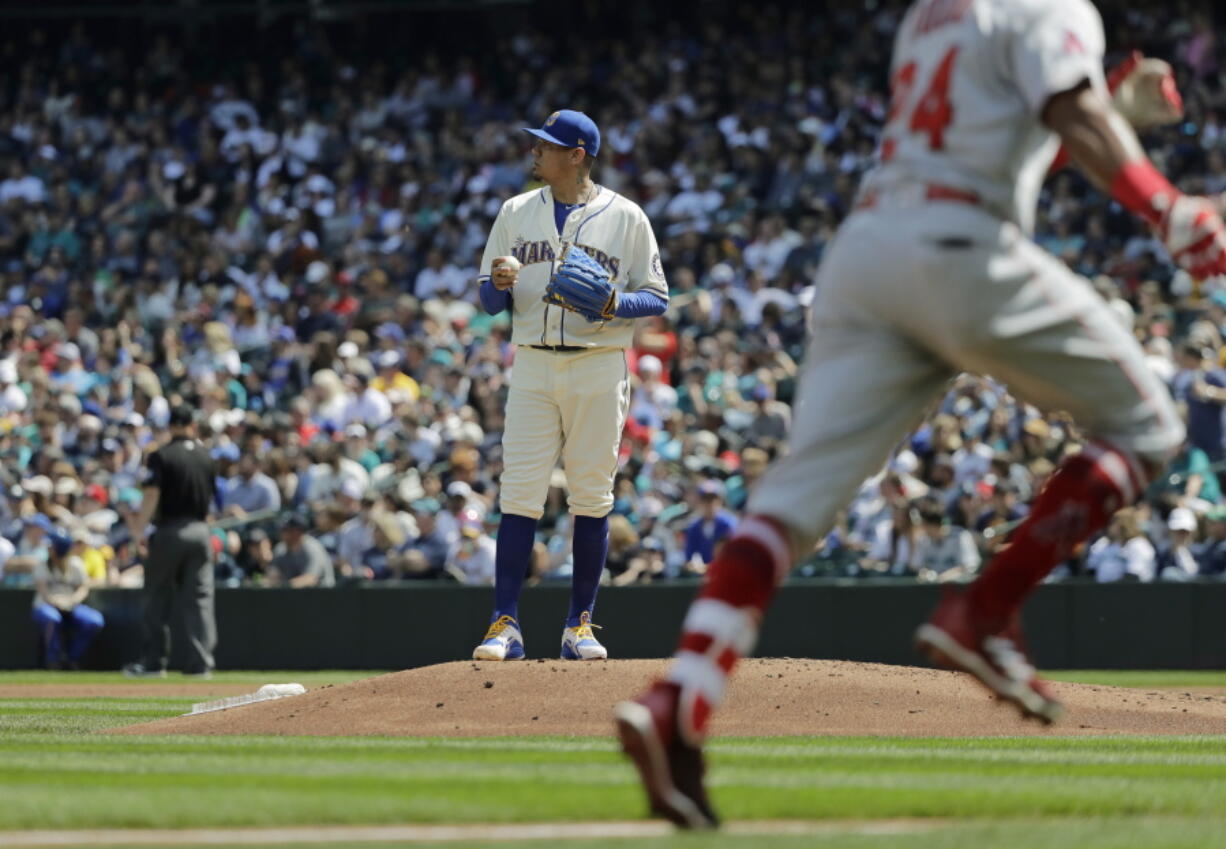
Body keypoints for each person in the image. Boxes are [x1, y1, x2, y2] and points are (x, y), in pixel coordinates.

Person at [615, 0, 1223, 829]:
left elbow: (1000, 130)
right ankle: (986, 610)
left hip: (867, 254)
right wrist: (1165, 205)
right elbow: (1064, 112)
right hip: (961, 244)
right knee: (1150, 427)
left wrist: (1115, 109)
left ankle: (679, 698)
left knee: (789, 504)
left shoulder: (929, 16)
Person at [471, 109, 668, 661]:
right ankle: (503, 624)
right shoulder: (514, 211)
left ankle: (579, 625)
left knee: (590, 494)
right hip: (532, 360)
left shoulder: (626, 217)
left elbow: (656, 295)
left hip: (599, 362)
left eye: (546, 145)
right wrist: (500, 286)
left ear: (576, 154)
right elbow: (489, 299)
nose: (535, 151)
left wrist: (613, 303)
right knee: (520, 493)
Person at [123, 404, 218, 678]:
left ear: (171, 425)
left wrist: (138, 531)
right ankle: (200, 664)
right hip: (201, 530)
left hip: (170, 531)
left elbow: (151, 496)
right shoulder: (206, 457)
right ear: (192, 424)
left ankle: (153, 663)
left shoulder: (161, 456)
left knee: (156, 597)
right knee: (200, 599)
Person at [31, 531, 104, 669]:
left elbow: (83, 588)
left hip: (71, 605)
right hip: (46, 605)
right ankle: (54, 660)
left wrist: (71, 601)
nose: (48, 548)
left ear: (59, 548)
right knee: (51, 617)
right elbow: (43, 591)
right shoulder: (42, 564)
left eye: (51, 546)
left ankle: (72, 658)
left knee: (94, 620)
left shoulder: (75, 564)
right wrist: (55, 602)